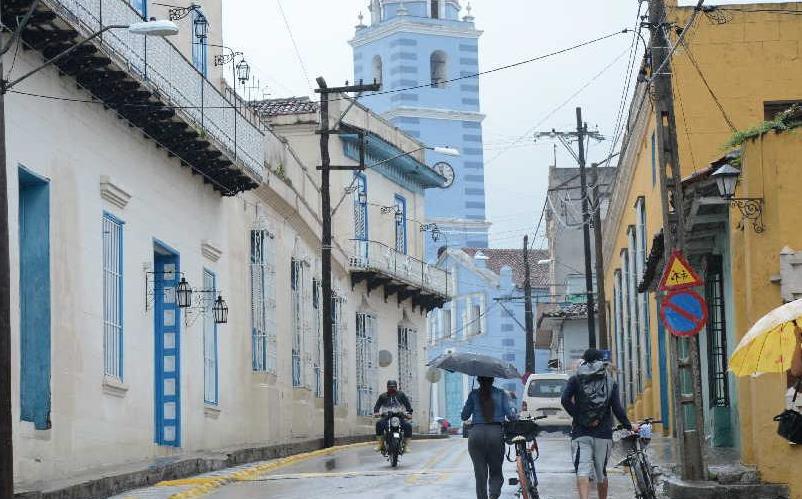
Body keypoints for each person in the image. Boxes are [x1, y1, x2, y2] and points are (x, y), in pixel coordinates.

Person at [561, 348, 632, 499]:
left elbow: (565, 400)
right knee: (601, 472)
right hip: (604, 434)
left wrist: (579, 418)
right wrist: (628, 425)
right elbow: (617, 408)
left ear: (585, 360)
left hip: (581, 433)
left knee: (582, 471)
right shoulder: (610, 382)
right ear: (601, 361)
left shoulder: (575, 379)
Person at [461, 376, 516, 499]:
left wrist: (468, 403)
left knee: (480, 474)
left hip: (476, 435)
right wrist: (514, 411)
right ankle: (493, 496)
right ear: (493, 380)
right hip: (496, 434)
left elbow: (464, 416)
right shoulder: (501, 394)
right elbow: (511, 415)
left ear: (479, 380)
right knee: (495, 471)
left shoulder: (473, 394)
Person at [373, 380, 413, 451]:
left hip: (399, 416)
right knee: (379, 424)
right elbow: (377, 406)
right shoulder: (383, 396)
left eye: (393, 387)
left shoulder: (401, 395)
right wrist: (376, 412)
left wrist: (409, 413)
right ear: (387, 387)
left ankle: (406, 445)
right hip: (386, 417)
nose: (392, 388)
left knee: (408, 426)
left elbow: (407, 404)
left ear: (396, 387)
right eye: (390, 387)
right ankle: (380, 444)